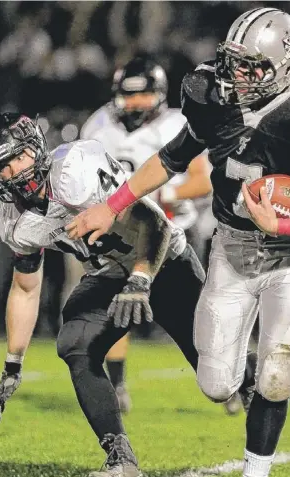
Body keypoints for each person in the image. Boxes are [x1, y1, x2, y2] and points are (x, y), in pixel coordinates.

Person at [65, 8, 290, 477]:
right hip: (232, 244)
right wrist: (109, 206)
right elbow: (170, 160)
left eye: (251, 67)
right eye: (233, 62)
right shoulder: (210, 95)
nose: (235, 76)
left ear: (285, 66)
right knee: (217, 383)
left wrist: (282, 224)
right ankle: (285, 360)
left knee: (274, 372)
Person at [0, 112, 205, 477]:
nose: (14, 171)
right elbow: (26, 288)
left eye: (18, 157)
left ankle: (276, 371)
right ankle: (122, 463)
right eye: (1, 166)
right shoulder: (13, 218)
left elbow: (156, 225)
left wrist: (141, 278)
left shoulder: (75, 169)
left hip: (162, 261)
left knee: (219, 377)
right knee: (74, 342)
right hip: (106, 276)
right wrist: (12, 364)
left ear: (36, 148)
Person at [80, 55, 212, 414]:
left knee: (195, 316)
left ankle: (227, 379)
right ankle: (118, 385)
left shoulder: (175, 124)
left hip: (174, 235)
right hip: (123, 235)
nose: (135, 104)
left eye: (143, 96)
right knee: (115, 308)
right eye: (129, 96)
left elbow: (202, 181)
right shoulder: (99, 125)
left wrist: (160, 195)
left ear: (159, 95)